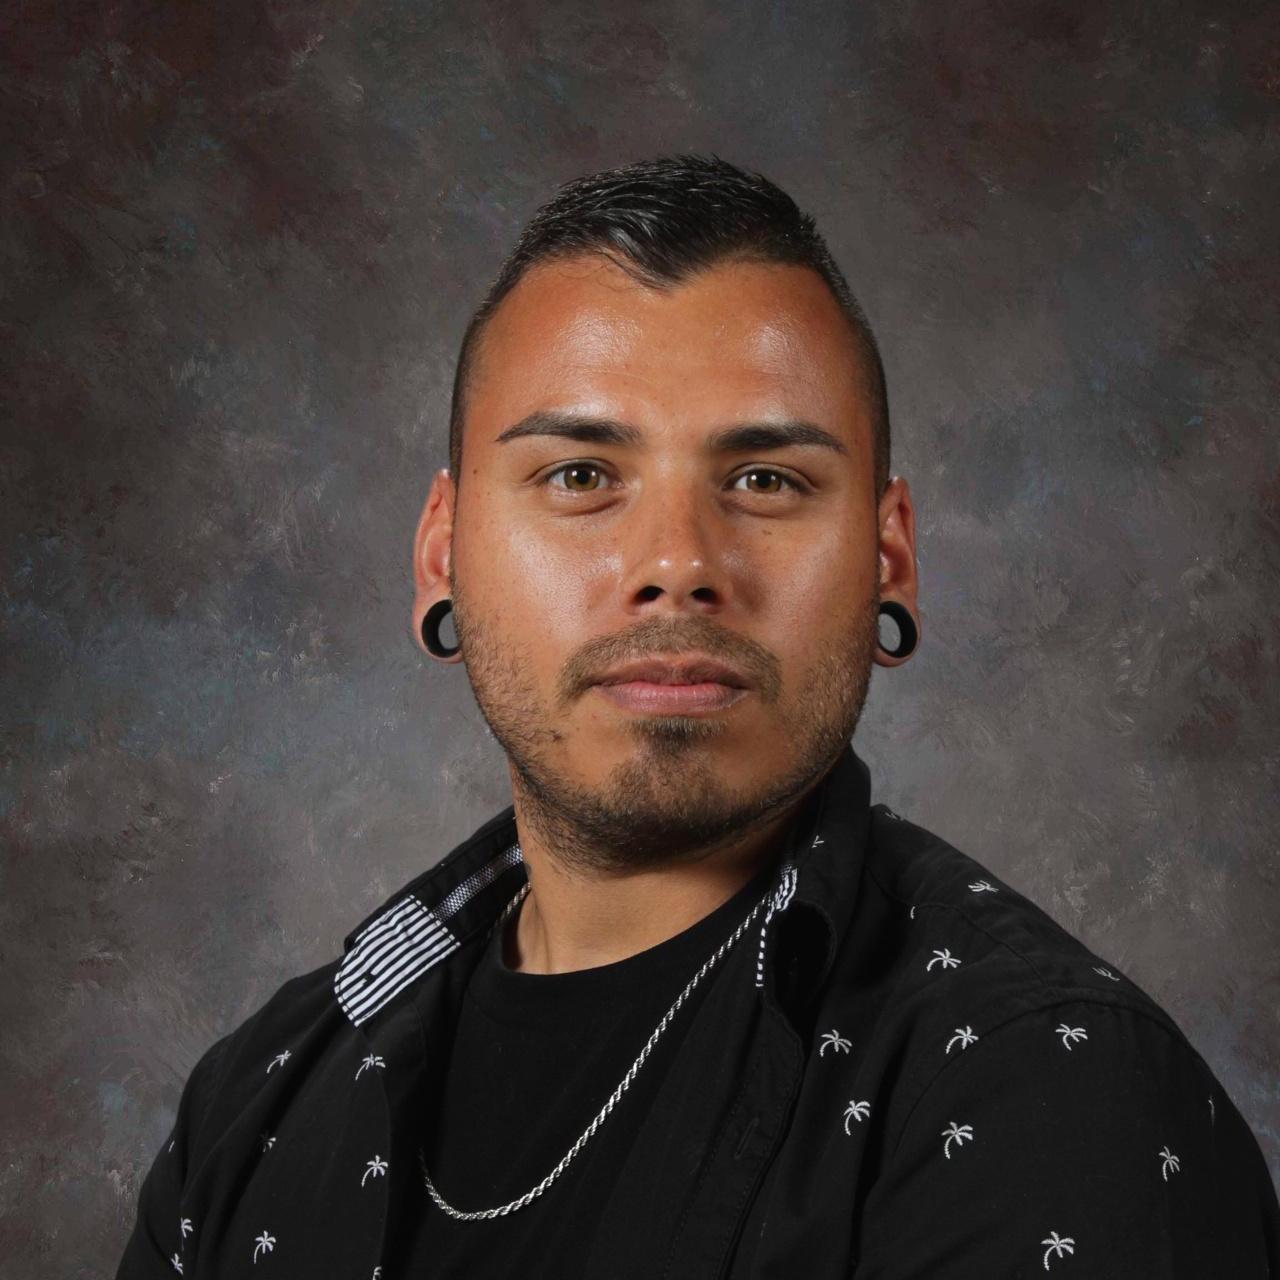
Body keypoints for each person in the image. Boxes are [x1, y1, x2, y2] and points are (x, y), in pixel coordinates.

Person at [116, 154, 1279, 1279]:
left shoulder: (1042, 1085)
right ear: (441, 553)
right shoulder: (256, 1101)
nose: (676, 562)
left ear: (888, 559)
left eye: (765, 480)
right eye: (580, 474)